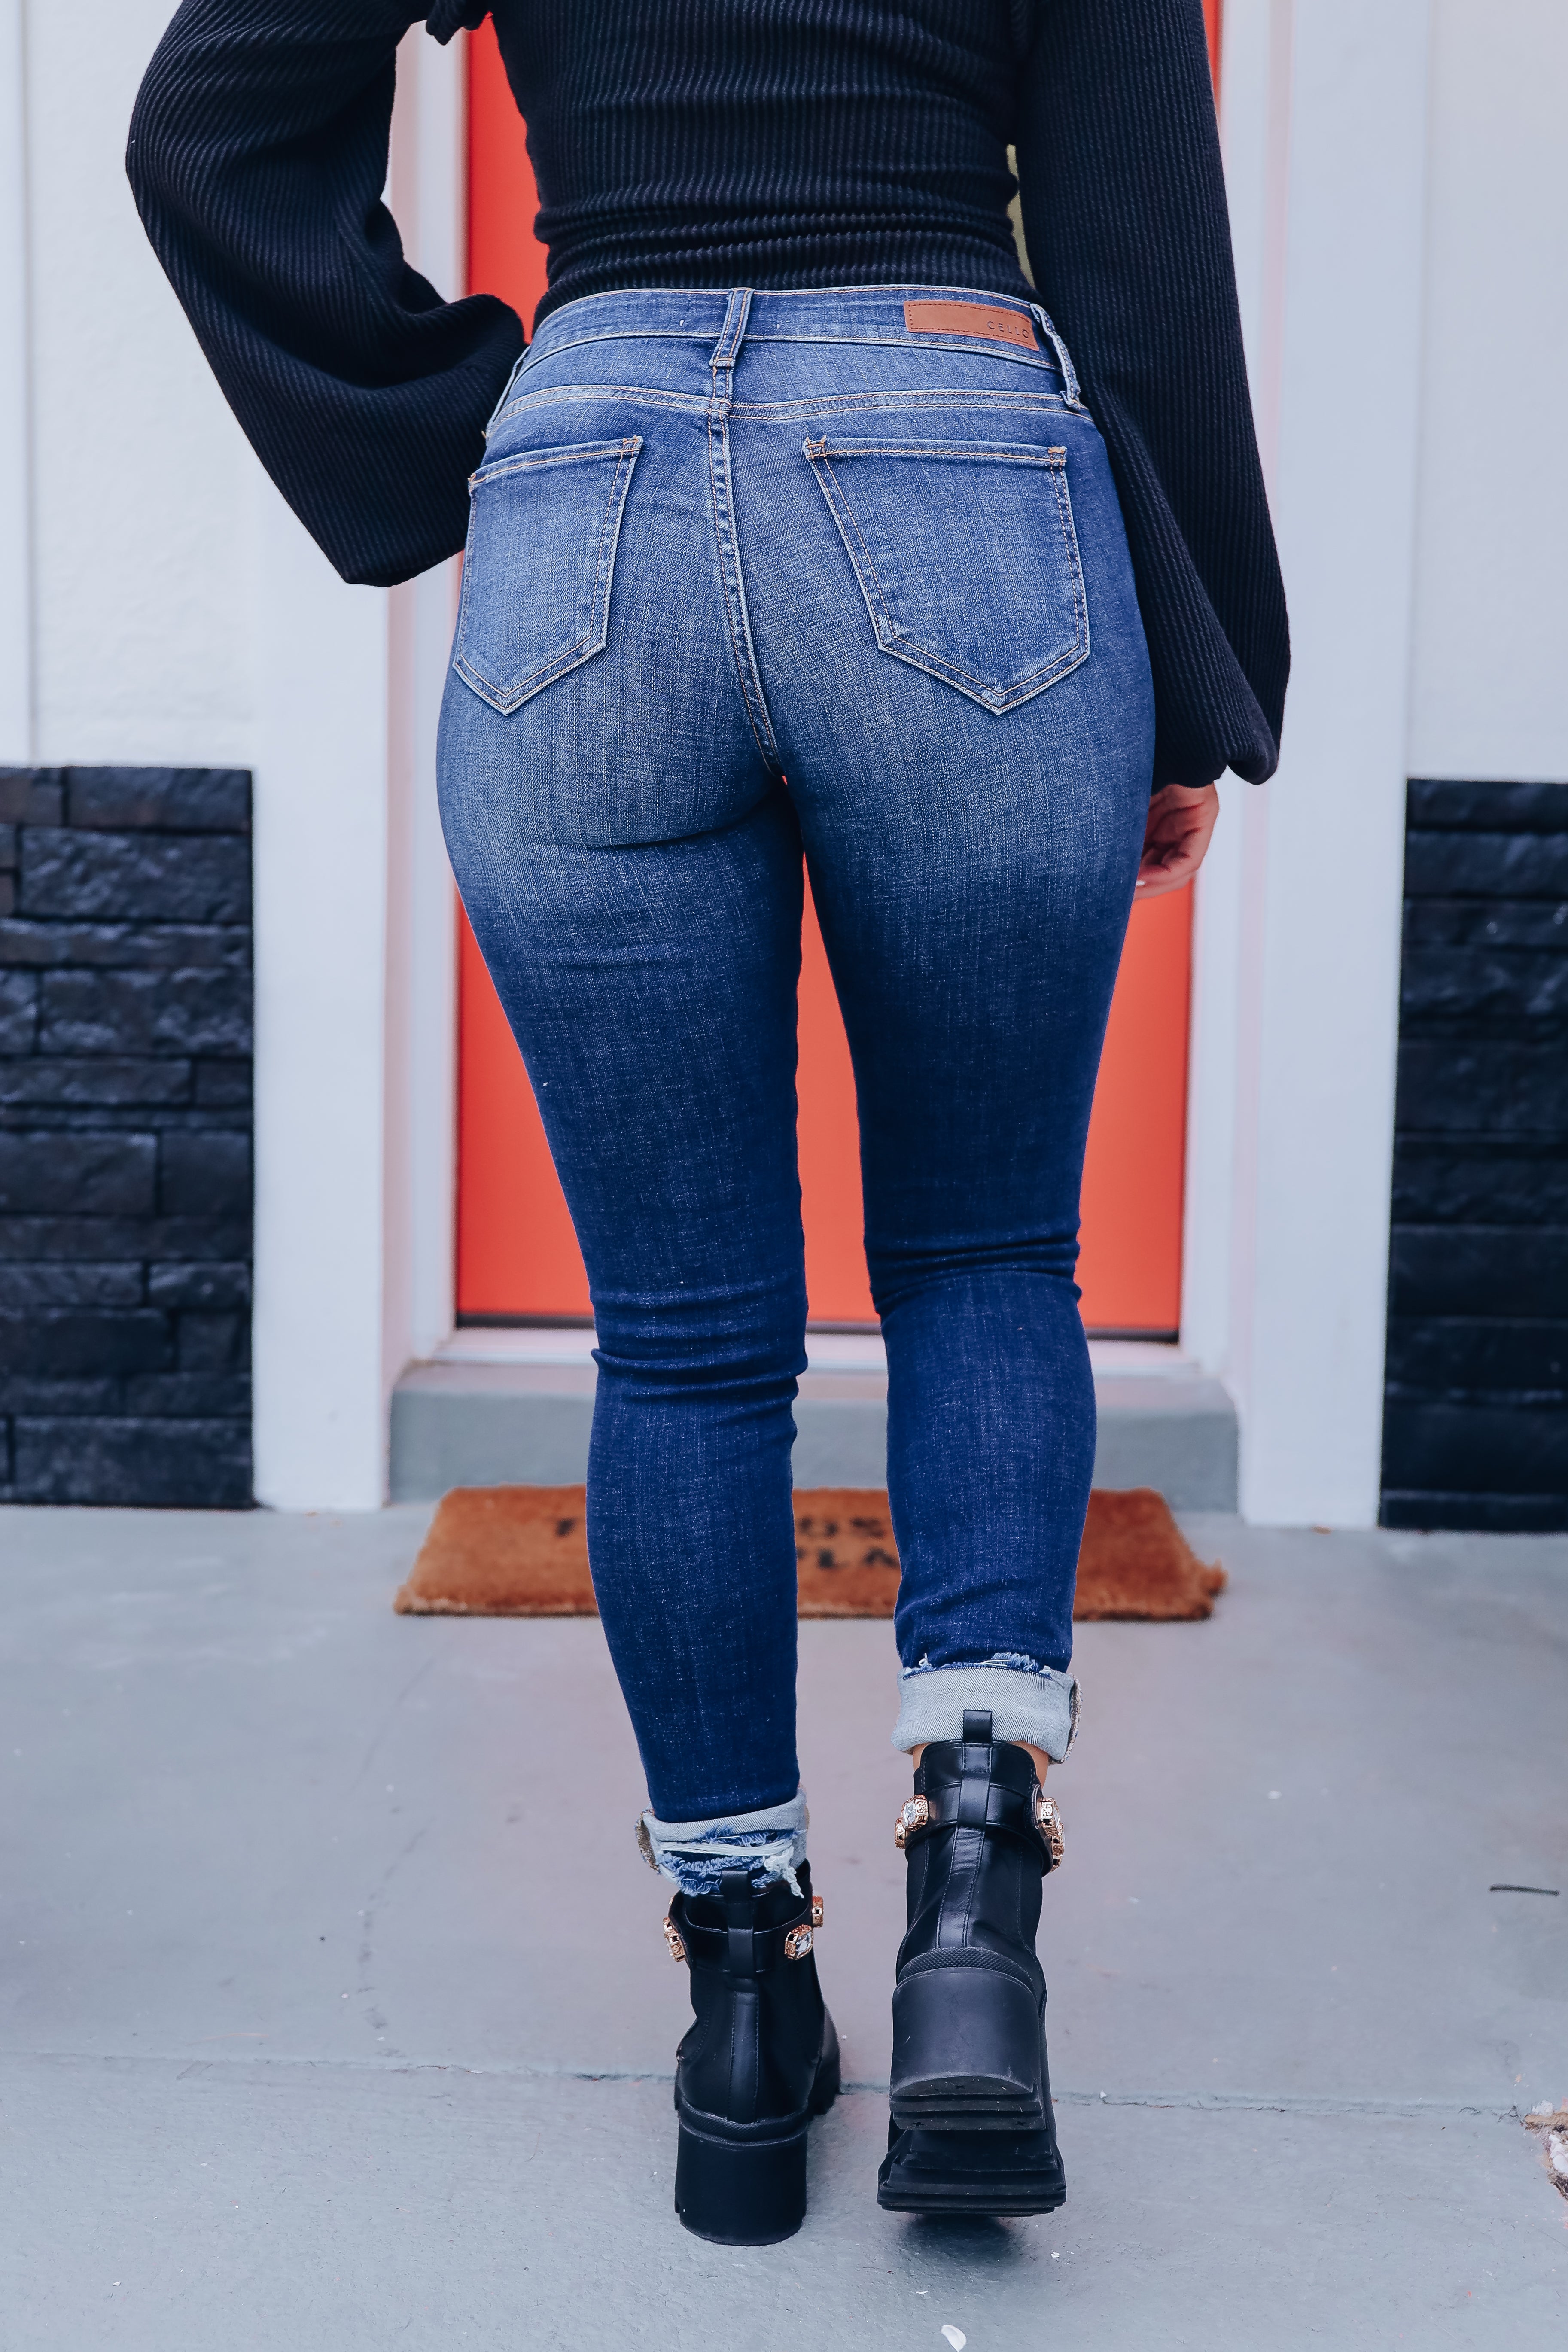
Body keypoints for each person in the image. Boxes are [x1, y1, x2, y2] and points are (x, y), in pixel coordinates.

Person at [129, 0, 1286, 2245]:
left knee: (676, 1343)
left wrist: (444, 418)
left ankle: (741, 2013)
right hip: (963, 464)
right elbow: (1144, 240)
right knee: (983, 1252)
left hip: (592, 493)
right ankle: (972, 1923)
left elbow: (208, 122)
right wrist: (1192, 670)